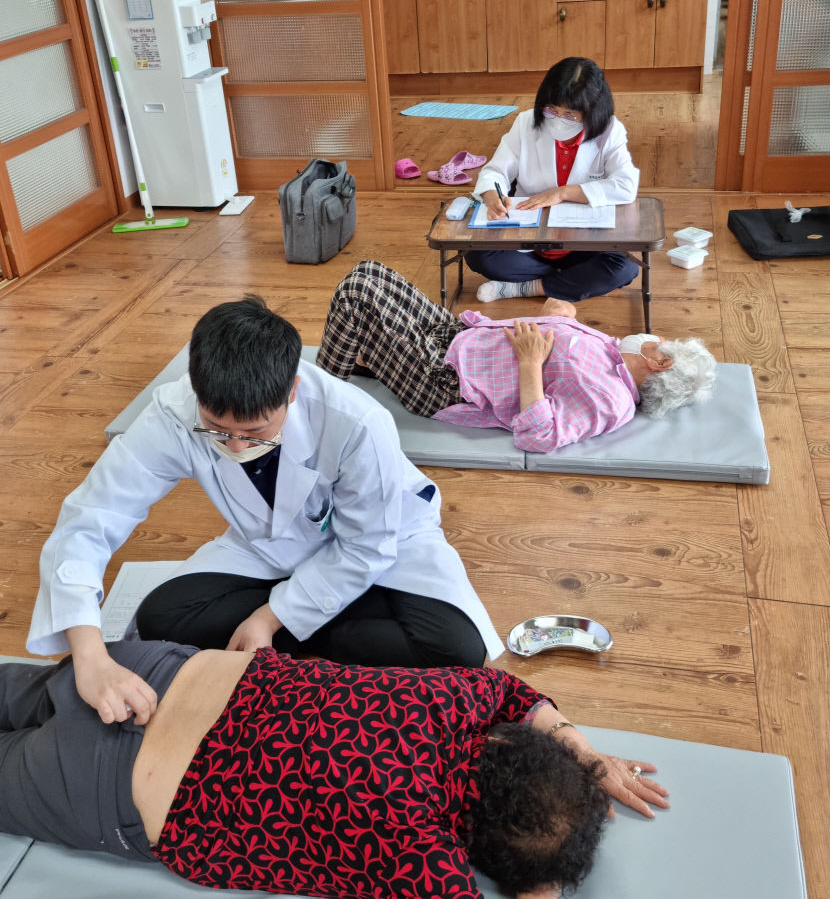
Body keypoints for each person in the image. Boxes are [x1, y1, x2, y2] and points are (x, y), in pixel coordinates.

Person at [0, 641, 670, 899]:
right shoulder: (419, 850)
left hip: (142, 670)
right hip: (103, 780)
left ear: (504, 744)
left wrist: (585, 756)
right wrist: (541, 882)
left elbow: (519, 695)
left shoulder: (457, 699)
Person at [27, 295, 505, 726]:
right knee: (162, 617)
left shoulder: (356, 422)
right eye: (217, 430)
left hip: (389, 542)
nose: (235, 447)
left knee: (457, 649)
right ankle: (329, 628)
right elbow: (90, 517)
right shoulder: (174, 415)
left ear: (291, 392)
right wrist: (90, 658)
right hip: (269, 543)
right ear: (197, 392)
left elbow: (365, 547)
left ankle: (289, 631)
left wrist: (270, 617)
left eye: (255, 432)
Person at [317, 261, 717, 454]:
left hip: (445, 380)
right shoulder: (614, 350)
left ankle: (318, 403)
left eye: (662, 343)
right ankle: (363, 360)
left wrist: (530, 364)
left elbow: (538, 435)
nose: (656, 338)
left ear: (659, 363)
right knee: (370, 271)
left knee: (356, 293)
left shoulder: (610, 400)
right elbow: (562, 349)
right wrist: (559, 319)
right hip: (457, 336)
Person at [466, 57, 640, 304]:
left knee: (624, 266)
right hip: (529, 241)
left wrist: (563, 193)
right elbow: (495, 171)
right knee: (478, 256)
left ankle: (528, 287)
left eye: (570, 115)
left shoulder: (609, 130)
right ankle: (569, 282)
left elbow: (626, 186)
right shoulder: (526, 123)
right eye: (551, 110)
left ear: (592, 111)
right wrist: (492, 196)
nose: (558, 120)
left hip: (582, 244)